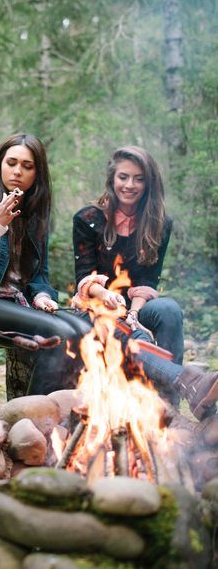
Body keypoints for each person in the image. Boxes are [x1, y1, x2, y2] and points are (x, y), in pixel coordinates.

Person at [72, 144, 217, 419]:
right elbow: (84, 278)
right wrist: (107, 298)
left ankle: (169, 406)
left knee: (168, 309)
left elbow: (148, 279)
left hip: (135, 305)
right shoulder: (88, 219)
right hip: (96, 306)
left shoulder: (159, 223)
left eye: (139, 178)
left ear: (149, 182)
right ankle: (190, 382)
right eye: (123, 177)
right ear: (112, 179)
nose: (130, 185)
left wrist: (134, 313)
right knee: (121, 329)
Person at [0, 133, 89, 402]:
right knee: (59, 335)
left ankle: (65, 420)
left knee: (85, 333)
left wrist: (42, 296)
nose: (17, 171)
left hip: (20, 302)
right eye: (11, 163)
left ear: (37, 173)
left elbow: (40, 275)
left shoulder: (36, 211)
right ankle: (32, 421)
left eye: (27, 166)